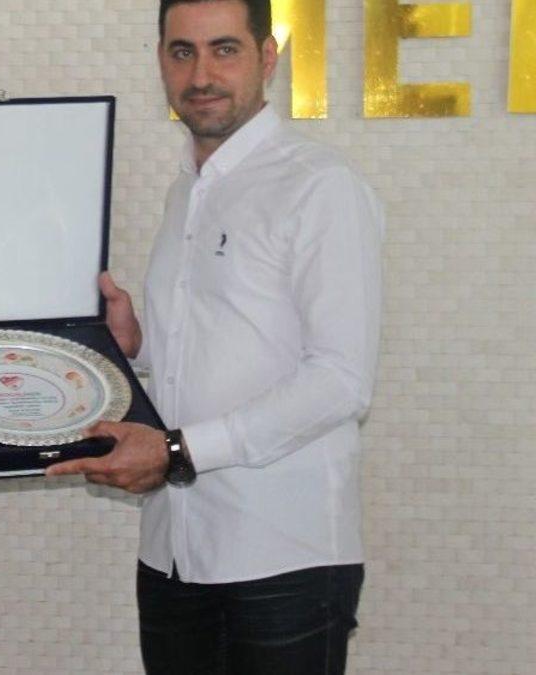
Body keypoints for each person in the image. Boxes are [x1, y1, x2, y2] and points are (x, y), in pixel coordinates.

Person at [47, 0, 383, 672]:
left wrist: (177, 450)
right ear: (161, 61)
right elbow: (223, 348)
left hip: (284, 559)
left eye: (224, 49)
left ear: (268, 57)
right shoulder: (186, 190)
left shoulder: (320, 187)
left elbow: (341, 380)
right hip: (173, 553)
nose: (200, 75)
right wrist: (136, 345)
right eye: (182, 52)